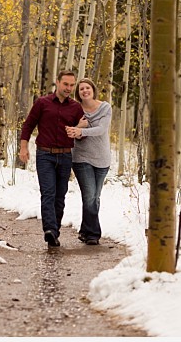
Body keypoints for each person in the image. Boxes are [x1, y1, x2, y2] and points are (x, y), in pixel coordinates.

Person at [18, 70, 85, 248]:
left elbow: (83, 132)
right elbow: (28, 126)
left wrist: (80, 128)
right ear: (57, 82)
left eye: (72, 85)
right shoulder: (42, 102)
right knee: (48, 192)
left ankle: (54, 232)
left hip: (65, 156)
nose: (69, 88)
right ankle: (49, 229)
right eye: (66, 84)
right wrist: (23, 148)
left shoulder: (76, 108)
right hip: (45, 155)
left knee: (60, 195)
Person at [65, 77, 112, 245]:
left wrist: (81, 131)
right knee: (90, 195)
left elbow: (101, 130)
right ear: (78, 93)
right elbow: (70, 129)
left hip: (102, 158)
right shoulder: (74, 108)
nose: (85, 91)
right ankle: (93, 234)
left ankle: (85, 230)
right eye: (81, 89)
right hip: (81, 157)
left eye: (87, 88)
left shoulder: (105, 107)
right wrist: (78, 126)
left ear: (93, 89)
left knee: (95, 198)